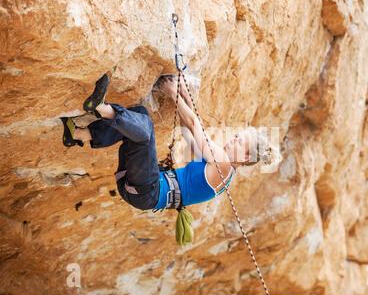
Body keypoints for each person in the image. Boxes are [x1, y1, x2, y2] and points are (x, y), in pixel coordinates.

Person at [60, 74, 276, 211]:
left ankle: (99, 107)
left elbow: (193, 123)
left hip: (148, 190)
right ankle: (79, 134)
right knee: (139, 115)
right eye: (237, 136)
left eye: (239, 142)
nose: (233, 139)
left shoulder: (223, 164)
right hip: (143, 189)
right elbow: (188, 131)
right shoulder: (222, 171)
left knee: (144, 132)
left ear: (246, 157)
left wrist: (173, 93)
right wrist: (184, 95)